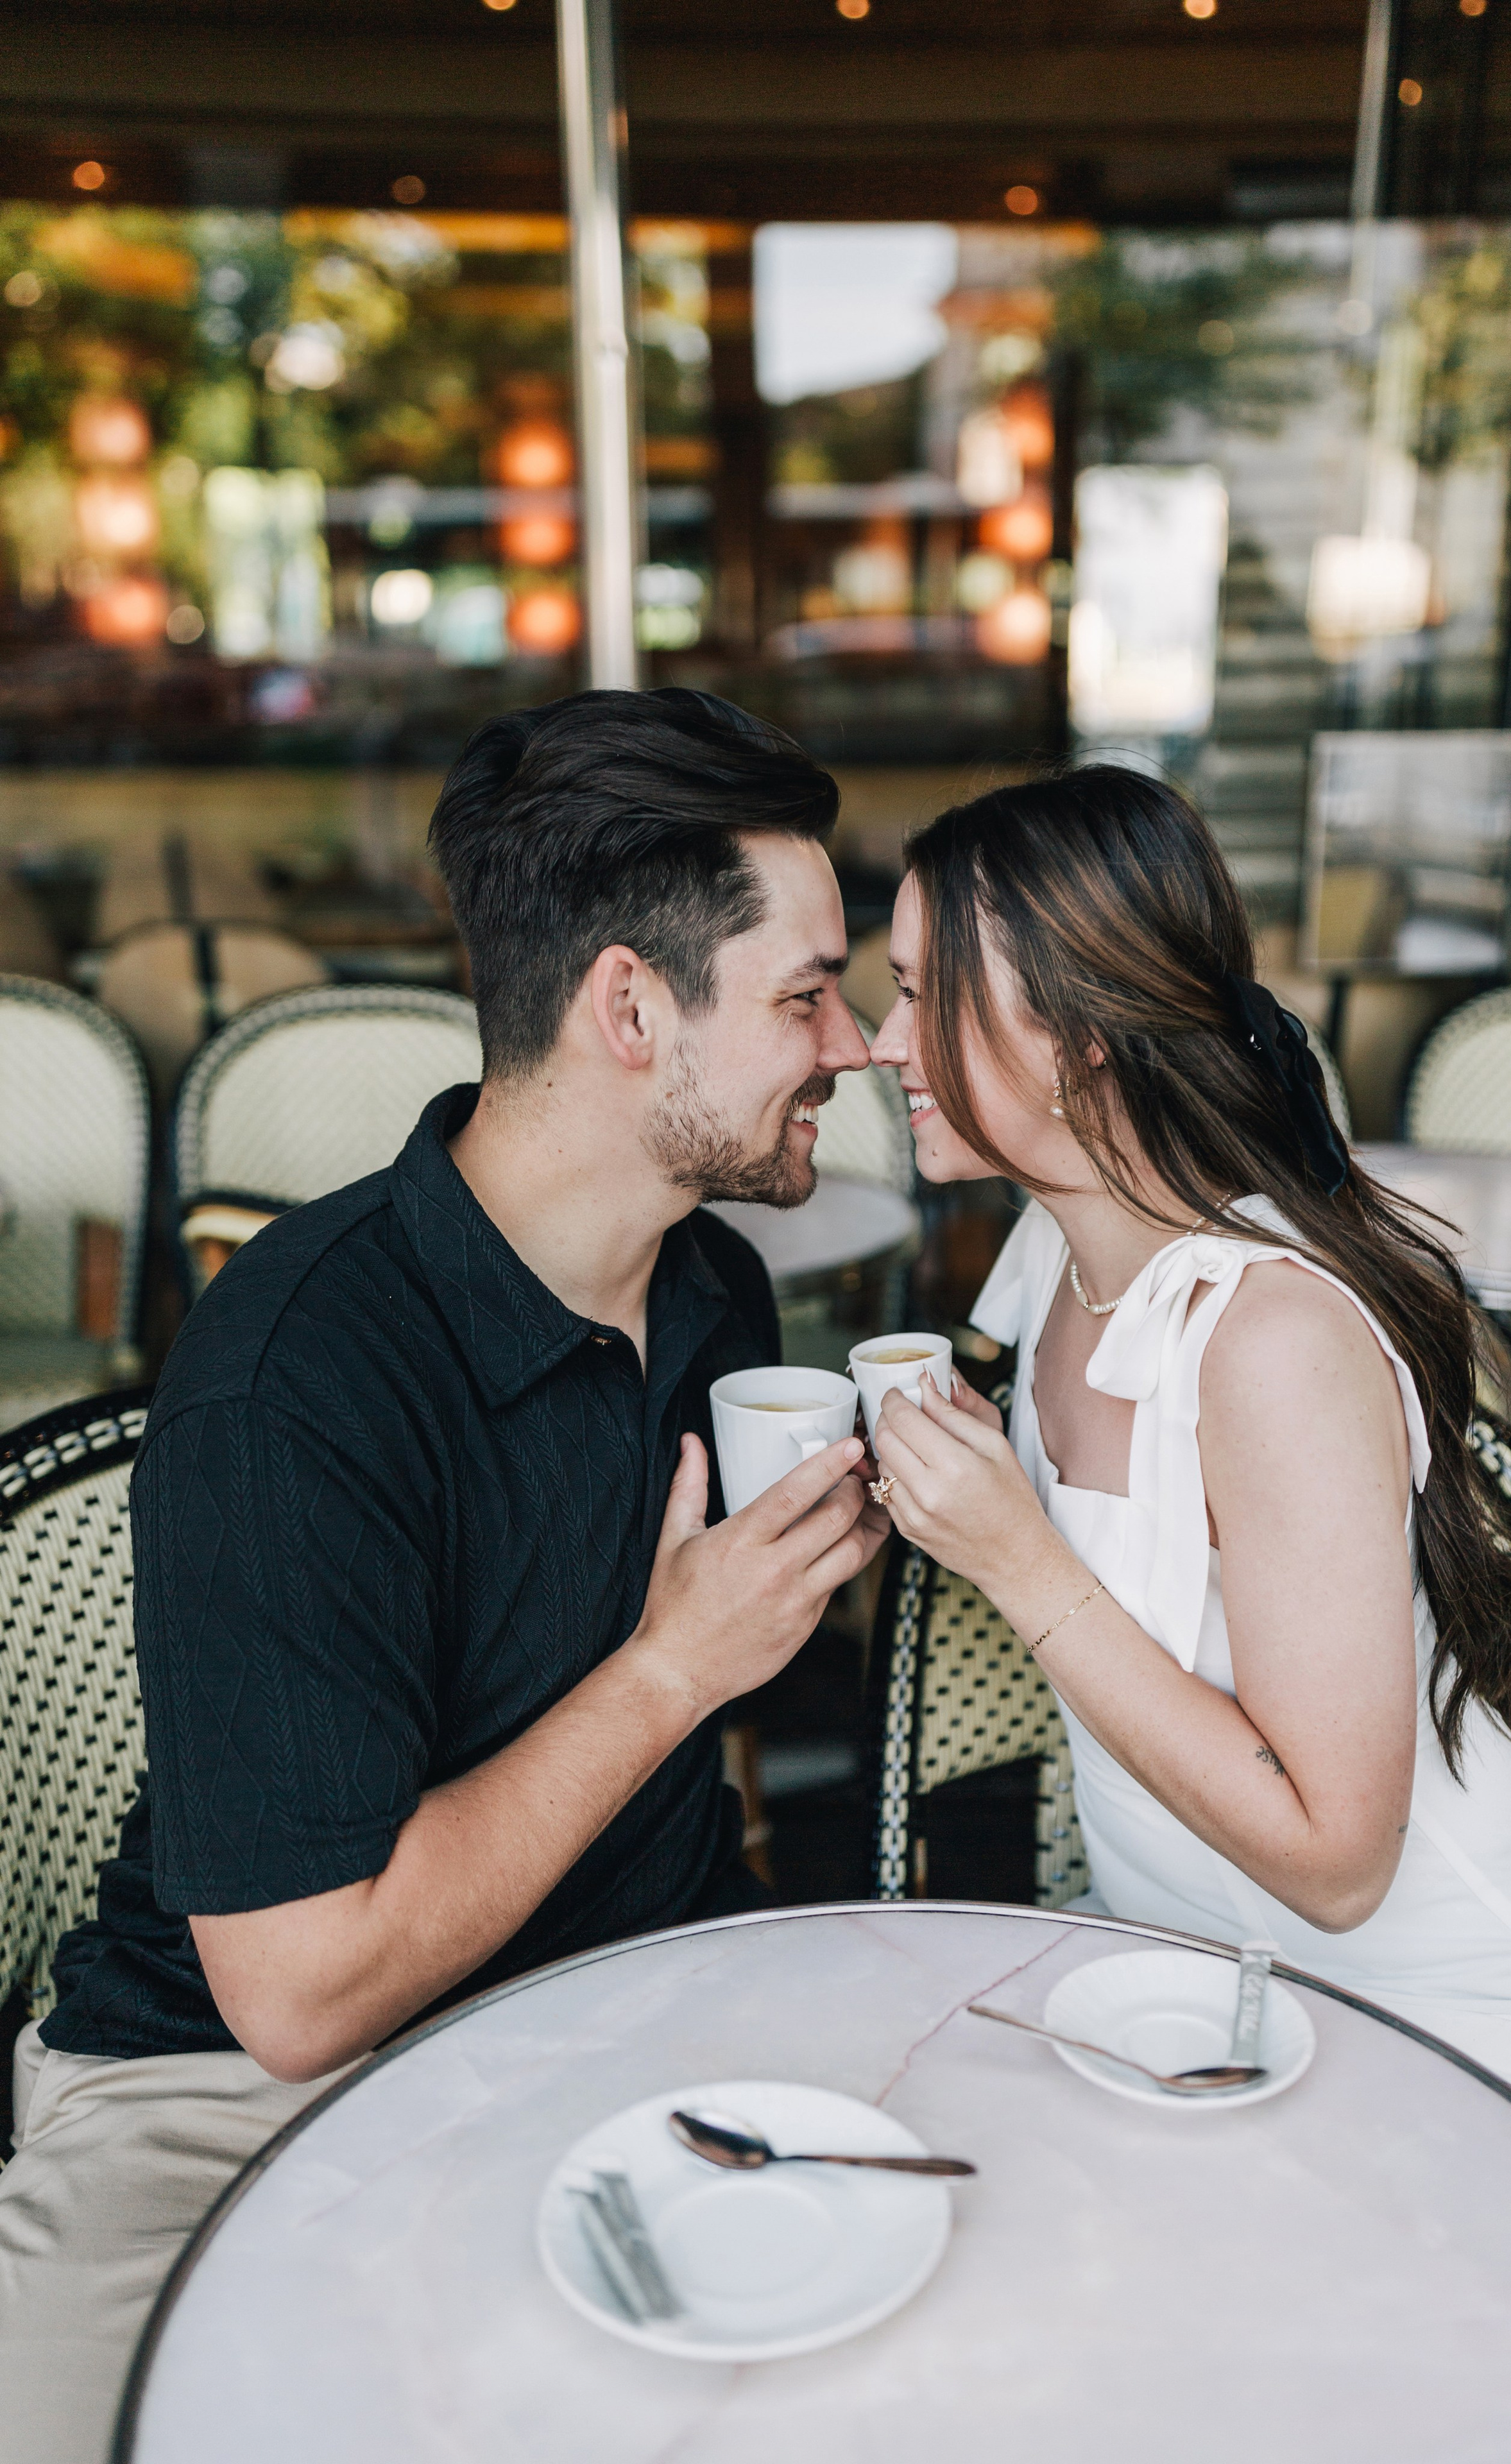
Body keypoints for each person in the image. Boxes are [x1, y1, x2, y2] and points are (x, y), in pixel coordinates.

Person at [0, 687, 888, 2462]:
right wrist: (673, 1667)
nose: (854, 1044)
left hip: (628, 2014)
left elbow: (719, 1710)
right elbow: (300, 1989)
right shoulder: (292, 1380)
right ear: (631, 1006)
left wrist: (812, 1591)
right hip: (223, 2092)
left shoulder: (716, 1293)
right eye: (807, 993)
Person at [866, 766, 1511, 2187]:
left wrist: (1019, 1562)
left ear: (1084, 1033)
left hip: (1468, 2039)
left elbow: (1340, 1867)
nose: (876, 1043)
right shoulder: (1049, 1260)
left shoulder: (1268, 1337)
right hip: (1203, 1998)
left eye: (922, 994)